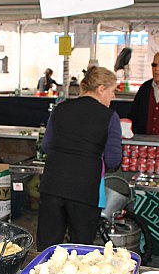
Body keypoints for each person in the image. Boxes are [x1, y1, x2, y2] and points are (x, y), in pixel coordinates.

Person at [37, 66, 122, 250]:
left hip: (52, 184)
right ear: (101, 89)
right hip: (84, 189)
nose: (113, 97)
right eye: (112, 91)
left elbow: (46, 145)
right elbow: (113, 159)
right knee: (81, 247)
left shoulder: (60, 109)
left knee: (48, 246)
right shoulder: (109, 117)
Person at [127, 51, 159, 136]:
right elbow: (134, 115)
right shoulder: (145, 87)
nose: (157, 68)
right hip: (146, 143)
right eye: (154, 65)